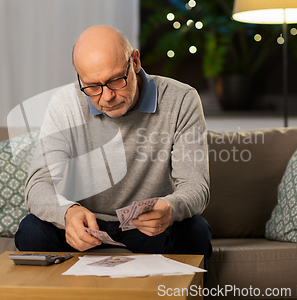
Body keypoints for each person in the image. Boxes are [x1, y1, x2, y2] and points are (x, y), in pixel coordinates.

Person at [15, 25, 212, 267]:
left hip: (149, 227)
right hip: (87, 225)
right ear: (78, 75)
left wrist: (170, 208)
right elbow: (38, 184)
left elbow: (195, 186)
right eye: (93, 87)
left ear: (135, 62)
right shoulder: (65, 103)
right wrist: (67, 213)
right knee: (31, 231)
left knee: (195, 231)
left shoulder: (181, 99)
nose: (106, 97)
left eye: (116, 80)